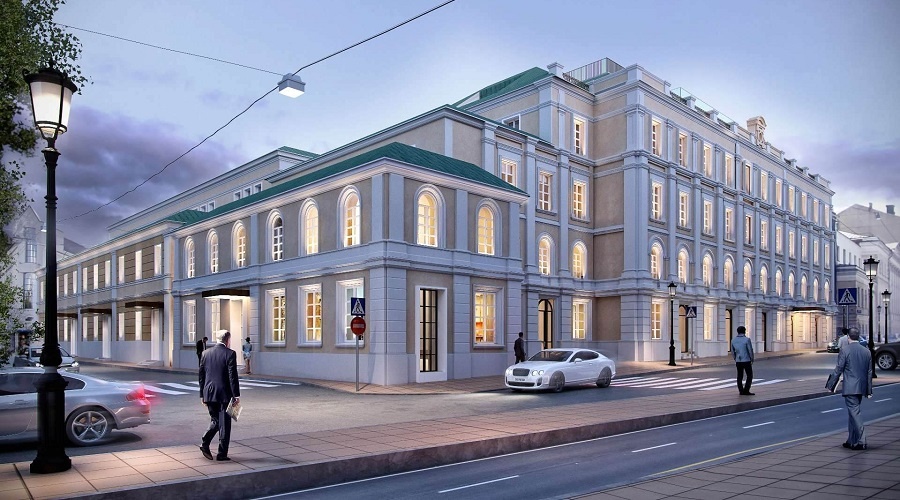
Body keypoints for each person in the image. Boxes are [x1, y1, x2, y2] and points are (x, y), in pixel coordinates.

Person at [199, 330, 241, 461]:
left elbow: (201, 376)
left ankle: (205, 443)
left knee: (216, 421)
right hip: (224, 394)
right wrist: (236, 395)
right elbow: (232, 376)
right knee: (225, 424)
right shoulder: (230, 353)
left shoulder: (205, 353)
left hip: (209, 392)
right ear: (227, 340)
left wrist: (202, 395)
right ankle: (222, 454)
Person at [831, 327, 873, 451]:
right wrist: (869, 390)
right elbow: (869, 372)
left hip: (850, 387)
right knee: (852, 413)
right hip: (861, 387)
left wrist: (831, 385)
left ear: (848, 337)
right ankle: (851, 440)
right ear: (858, 337)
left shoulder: (845, 350)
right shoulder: (866, 351)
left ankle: (862, 441)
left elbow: (839, 368)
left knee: (855, 413)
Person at [731, 325, 754, 395]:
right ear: (744, 331)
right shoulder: (747, 339)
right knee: (749, 375)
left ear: (737, 332)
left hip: (738, 360)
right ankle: (746, 390)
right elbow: (750, 350)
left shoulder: (733, 340)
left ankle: (741, 390)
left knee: (739, 376)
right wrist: (752, 358)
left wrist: (735, 358)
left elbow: (732, 351)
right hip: (746, 360)